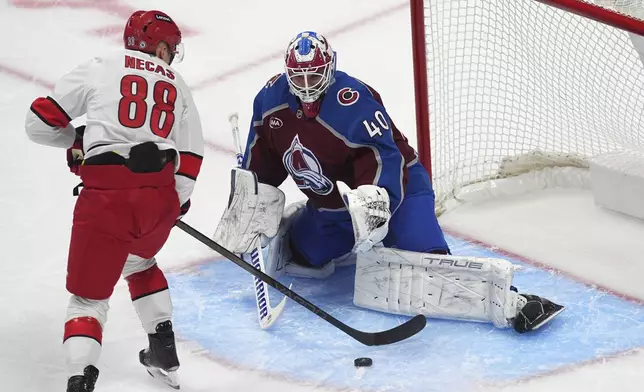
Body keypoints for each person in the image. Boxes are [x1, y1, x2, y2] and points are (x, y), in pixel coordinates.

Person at [213, 31, 563, 335]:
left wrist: (376, 203)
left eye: (314, 75)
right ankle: (314, 230)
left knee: (428, 267)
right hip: (333, 205)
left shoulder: (354, 100)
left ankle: (512, 301)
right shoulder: (271, 101)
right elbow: (263, 160)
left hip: (399, 190)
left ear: (329, 67)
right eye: (299, 77)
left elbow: (387, 157)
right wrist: (252, 200)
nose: (306, 86)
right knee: (304, 256)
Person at [24, 10, 203, 391]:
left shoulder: (102, 65)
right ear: (158, 45)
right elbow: (190, 159)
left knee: (88, 300)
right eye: (169, 47)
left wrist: (77, 140)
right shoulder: (178, 82)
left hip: (107, 200)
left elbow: (38, 122)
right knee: (139, 261)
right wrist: (176, 205)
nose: (170, 55)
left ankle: (80, 378)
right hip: (159, 200)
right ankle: (163, 348)